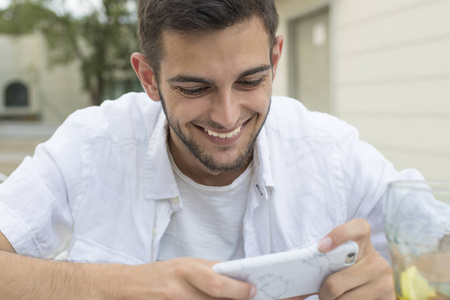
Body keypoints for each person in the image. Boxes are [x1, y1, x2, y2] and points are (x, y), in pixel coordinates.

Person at [0, 0, 423, 299]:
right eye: (194, 88)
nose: (226, 116)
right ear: (148, 77)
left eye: (251, 81)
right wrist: (117, 287)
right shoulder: (92, 144)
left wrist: (396, 281)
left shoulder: (331, 153)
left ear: (275, 58)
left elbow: (437, 242)